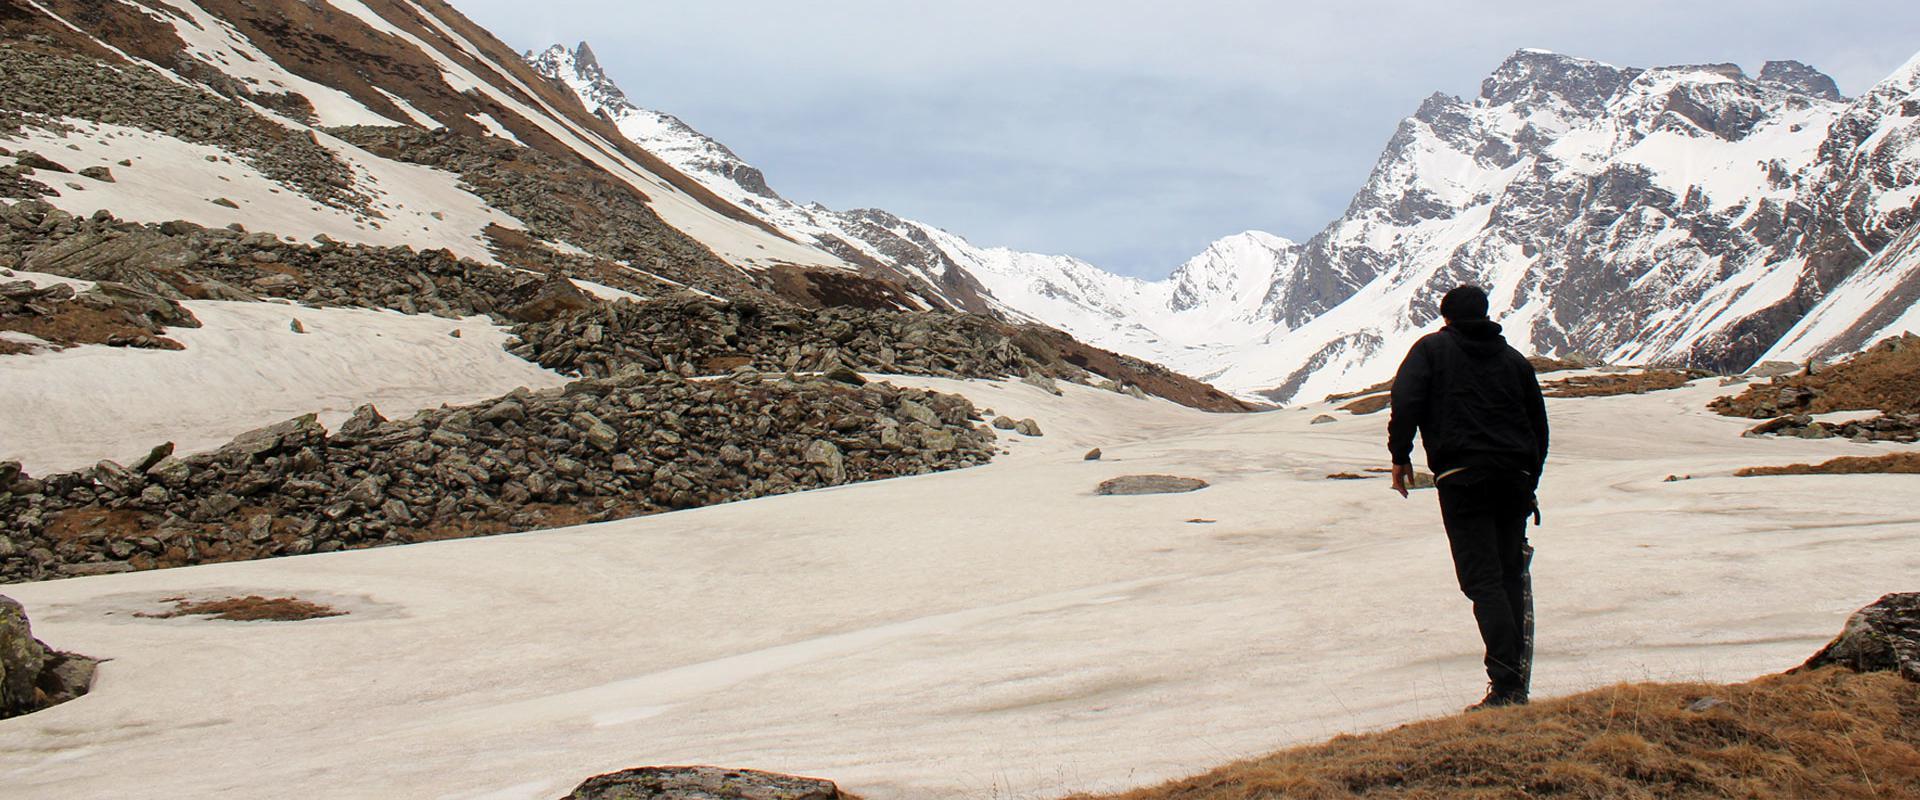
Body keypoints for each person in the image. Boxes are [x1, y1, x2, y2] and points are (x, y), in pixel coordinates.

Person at [1386, 285, 1549, 711]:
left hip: (1463, 478)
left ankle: (1507, 685)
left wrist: (1400, 456)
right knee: (1510, 573)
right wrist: (1530, 479)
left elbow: (1406, 401)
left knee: (1482, 580)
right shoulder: (1514, 361)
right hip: (1514, 478)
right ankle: (1513, 683)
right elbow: (1538, 425)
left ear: (1446, 318)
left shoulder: (1432, 350)